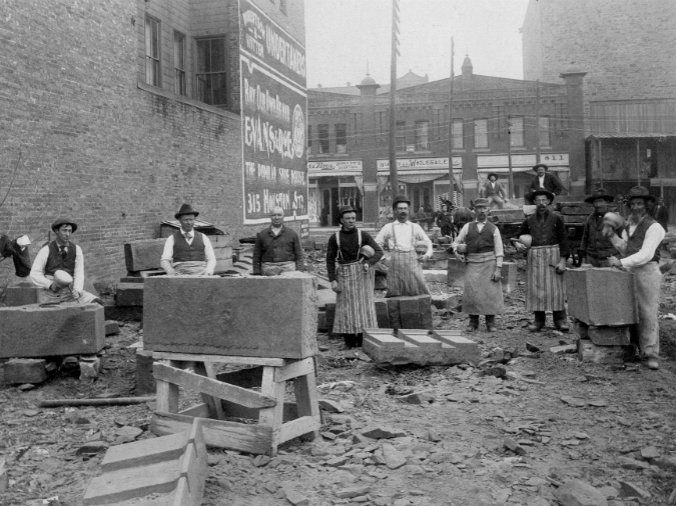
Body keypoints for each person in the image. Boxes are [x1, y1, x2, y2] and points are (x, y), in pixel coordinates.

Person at [607, 186, 665, 370]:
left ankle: (650, 353)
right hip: (630, 270)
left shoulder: (655, 227)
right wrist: (612, 236)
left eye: (639, 203)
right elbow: (627, 249)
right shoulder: (629, 227)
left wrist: (621, 262)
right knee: (629, 311)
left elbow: (646, 254)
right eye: (632, 204)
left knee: (647, 312)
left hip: (647, 271)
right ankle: (632, 349)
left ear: (647, 205)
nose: (635, 207)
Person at [326, 205, 384, 348]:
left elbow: (379, 252)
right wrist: (332, 280)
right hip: (344, 275)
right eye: (348, 218)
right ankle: (349, 342)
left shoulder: (363, 235)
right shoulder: (335, 238)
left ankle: (363, 341)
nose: (351, 221)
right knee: (346, 309)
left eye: (353, 218)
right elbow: (329, 260)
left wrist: (368, 263)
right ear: (341, 220)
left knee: (363, 307)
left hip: (362, 274)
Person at [515, 189, 570, 332]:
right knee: (536, 289)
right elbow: (517, 237)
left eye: (544, 200)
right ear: (534, 202)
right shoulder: (528, 221)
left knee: (556, 289)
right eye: (538, 200)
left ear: (549, 201)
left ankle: (560, 320)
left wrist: (563, 261)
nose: (541, 203)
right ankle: (539, 320)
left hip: (554, 256)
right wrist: (517, 244)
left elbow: (564, 240)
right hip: (535, 257)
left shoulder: (557, 219)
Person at [452, 198, 504, 332]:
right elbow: (456, 242)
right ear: (474, 210)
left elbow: (499, 251)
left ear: (488, 210)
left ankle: (490, 322)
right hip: (472, 263)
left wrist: (498, 269)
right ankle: (473, 322)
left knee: (490, 292)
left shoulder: (493, 228)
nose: (482, 211)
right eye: (479, 208)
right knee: (472, 292)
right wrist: (458, 252)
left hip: (489, 263)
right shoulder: (467, 227)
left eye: (484, 208)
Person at [30, 218, 100, 304]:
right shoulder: (46, 250)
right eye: (64, 230)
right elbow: (34, 273)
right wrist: (50, 285)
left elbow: (79, 273)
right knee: (53, 310)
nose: (67, 234)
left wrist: (77, 290)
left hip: (69, 292)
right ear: (57, 231)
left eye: (70, 231)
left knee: (96, 302)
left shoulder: (77, 249)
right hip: (50, 293)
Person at [376, 195, 433, 297]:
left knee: (420, 290)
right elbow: (376, 244)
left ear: (408, 210)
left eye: (405, 208)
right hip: (395, 265)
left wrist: (426, 256)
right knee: (395, 293)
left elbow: (428, 242)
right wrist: (383, 259)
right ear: (395, 210)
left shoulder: (415, 227)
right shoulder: (388, 227)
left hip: (413, 264)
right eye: (400, 208)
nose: (403, 211)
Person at [161, 204, 216, 276]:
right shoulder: (171, 239)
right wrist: (171, 272)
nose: (189, 223)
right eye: (186, 220)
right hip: (180, 274)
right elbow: (165, 260)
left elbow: (211, 258)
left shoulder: (203, 237)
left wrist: (208, 272)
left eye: (191, 220)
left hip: (201, 274)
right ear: (180, 221)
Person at [252, 206, 303, 276]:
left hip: (288, 268)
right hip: (268, 268)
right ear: (270, 217)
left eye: (279, 215)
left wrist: (300, 270)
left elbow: (299, 253)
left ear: (283, 217)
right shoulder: (262, 234)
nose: (276, 217)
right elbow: (256, 255)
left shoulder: (292, 234)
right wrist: (256, 272)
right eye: (274, 215)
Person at [578, 188, 617, 267]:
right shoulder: (590, 218)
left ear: (607, 202)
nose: (598, 205)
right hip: (591, 259)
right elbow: (585, 238)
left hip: (608, 259)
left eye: (601, 201)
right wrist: (583, 258)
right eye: (595, 202)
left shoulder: (615, 218)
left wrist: (618, 259)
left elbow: (624, 241)